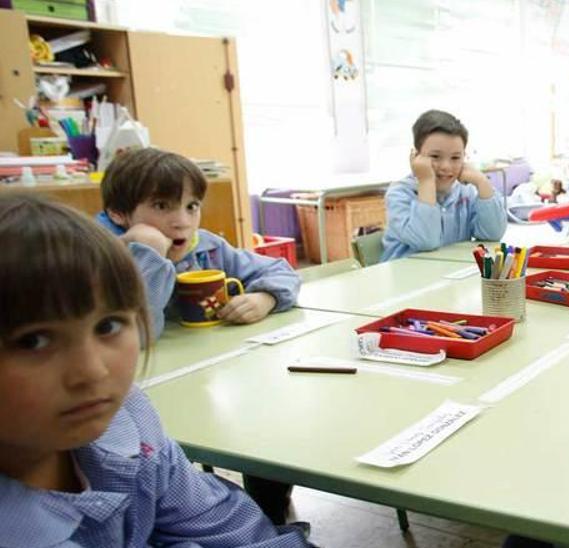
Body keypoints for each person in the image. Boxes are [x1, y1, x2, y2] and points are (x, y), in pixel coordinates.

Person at [0, 193, 307, 547]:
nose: (93, 372)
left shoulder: (126, 419)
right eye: (33, 341)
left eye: (108, 326)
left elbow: (226, 526)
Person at [97, 148, 300, 339]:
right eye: (161, 206)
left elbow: (281, 270)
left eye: (191, 206)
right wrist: (150, 254)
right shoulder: (101, 259)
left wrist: (266, 298)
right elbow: (137, 335)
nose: (183, 223)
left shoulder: (207, 248)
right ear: (117, 213)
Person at [382, 109, 507, 260]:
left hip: (447, 274)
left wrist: (482, 183)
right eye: (435, 156)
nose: (446, 166)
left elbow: (492, 234)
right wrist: (426, 181)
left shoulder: (466, 191)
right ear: (416, 157)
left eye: (455, 157)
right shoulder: (399, 193)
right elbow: (426, 242)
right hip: (407, 278)